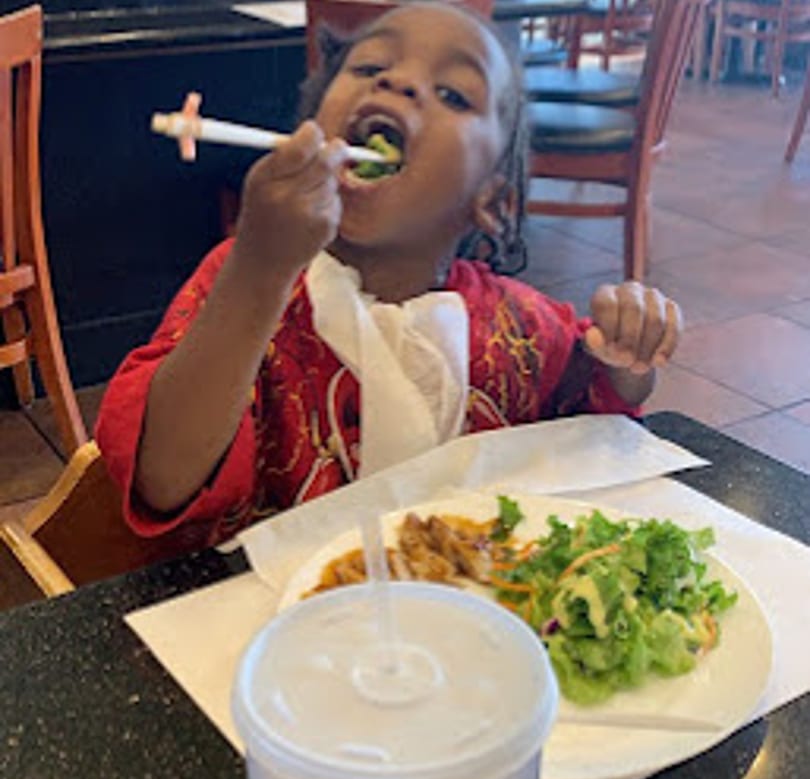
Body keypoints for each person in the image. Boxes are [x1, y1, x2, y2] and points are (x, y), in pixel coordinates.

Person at [96, 1, 682, 546]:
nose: (397, 82)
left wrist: (624, 360)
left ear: (491, 202)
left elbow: (589, 430)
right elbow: (162, 481)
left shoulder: (521, 327)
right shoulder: (247, 278)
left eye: (453, 94)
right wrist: (258, 269)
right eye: (370, 64)